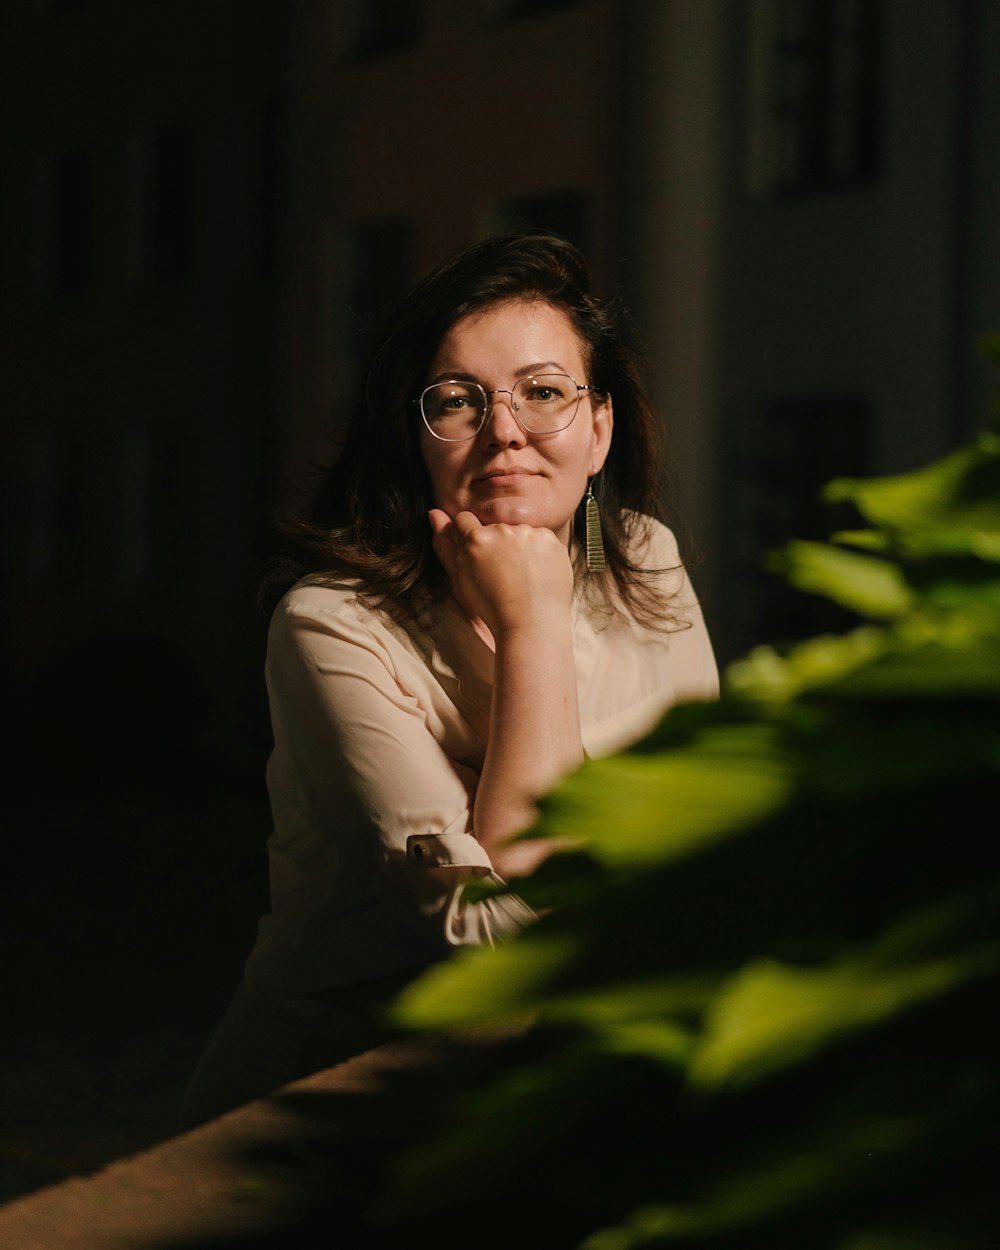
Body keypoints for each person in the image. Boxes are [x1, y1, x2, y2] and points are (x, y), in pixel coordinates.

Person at [177, 230, 719, 1129]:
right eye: (459, 401)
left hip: (561, 1086)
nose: (505, 430)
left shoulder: (645, 561)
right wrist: (531, 622)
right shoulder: (332, 624)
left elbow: (708, 837)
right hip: (331, 1100)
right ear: (416, 436)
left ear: (600, 429)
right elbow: (487, 939)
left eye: (544, 393)